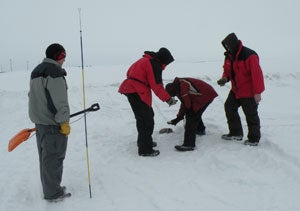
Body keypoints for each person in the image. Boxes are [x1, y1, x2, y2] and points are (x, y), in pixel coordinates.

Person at [28, 43, 71, 201]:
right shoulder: (55, 72)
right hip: (53, 124)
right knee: (54, 158)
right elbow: (59, 101)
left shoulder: (36, 71)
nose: (64, 60)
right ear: (57, 56)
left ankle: (51, 186)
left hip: (40, 123)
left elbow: (33, 96)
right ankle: (53, 192)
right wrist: (64, 121)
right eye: (62, 56)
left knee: (46, 158)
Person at [118, 47, 177, 157]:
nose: (166, 66)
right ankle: (145, 149)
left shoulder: (144, 60)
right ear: (164, 59)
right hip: (137, 91)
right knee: (146, 120)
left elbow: (129, 73)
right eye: (167, 63)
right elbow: (157, 86)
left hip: (130, 89)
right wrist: (169, 99)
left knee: (144, 117)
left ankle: (144, 142)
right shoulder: (154, 64)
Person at [217, 33, 265, 146]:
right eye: (226, 46)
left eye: (229, 46)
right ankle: (236, 133)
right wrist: (225, 78)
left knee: (251, 115)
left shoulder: (250, 55)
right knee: (229, 107)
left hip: (248, 92)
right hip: (236, 90)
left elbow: (257, 75)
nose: (227, 48)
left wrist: (257, 92)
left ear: (233, 44)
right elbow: (227, 70)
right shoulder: (229, 56)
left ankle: (253, 139)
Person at [166, 77, 218, 151]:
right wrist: (179, 117)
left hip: (205, 94)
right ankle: (200, 129)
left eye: (172, 95)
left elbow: (187, 104)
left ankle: (189, 144)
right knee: (194, 112)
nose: (173, 96)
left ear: (172, 90)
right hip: (204, 94)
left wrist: (182, 116)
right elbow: (184, 103)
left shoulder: (182, 86)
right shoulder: (178, 87)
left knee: (191, 117)